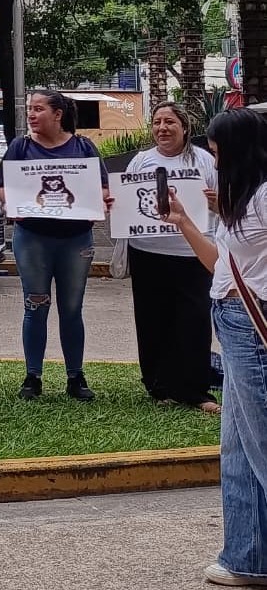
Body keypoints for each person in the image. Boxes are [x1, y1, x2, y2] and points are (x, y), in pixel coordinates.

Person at [160, 108, 267, 586]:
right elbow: (220, 264)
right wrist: (183, 221)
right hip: (230, 315)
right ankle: (248, 557)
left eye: (218, 146)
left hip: (253, 323)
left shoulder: (263, 198)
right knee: (238, 450)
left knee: (261, 444)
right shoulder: (242, 200)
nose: (212, 154)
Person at [0, 90, 111, 401]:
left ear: (58, 114)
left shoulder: (84, 147)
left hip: (76, 240)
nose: (31, 115)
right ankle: (33, 376)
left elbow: (101, 187)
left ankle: (76, 377)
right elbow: (2, 186)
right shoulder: (20, 146)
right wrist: (12, 203)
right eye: (29, 109)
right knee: (35, 306)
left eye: (38, 109)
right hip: (32, 237)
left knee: (72, 309)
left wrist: (103, 201)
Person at [124, 102, 220, 412]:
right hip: (148, 254)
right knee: (153, 320)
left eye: (169, 122)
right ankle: (158, 385)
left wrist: (217, 202)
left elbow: (224, 206)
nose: (162, 128)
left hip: (193, 255)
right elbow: (126, 203)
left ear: (184, 127)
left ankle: (196, 390)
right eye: (156, 122)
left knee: (194, 322)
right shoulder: (140, 161)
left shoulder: (204, 160)